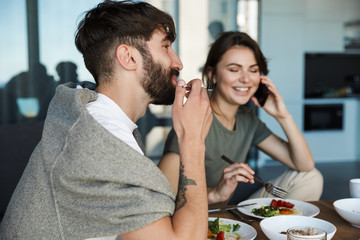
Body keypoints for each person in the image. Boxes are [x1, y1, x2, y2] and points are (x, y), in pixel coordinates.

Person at [0, 1, 212, 239]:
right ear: (128, 57)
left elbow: (146, 209)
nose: (178, 62)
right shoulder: (99, 141)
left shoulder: (93, 120)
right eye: (166, 46)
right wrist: (193, 139)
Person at [159, 31, 323, 205]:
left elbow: (305, 165)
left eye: (253, 70)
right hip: (194, 218)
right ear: (212, 74)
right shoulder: (195, 118)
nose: (246, 79)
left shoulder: (247, 119)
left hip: (229, 213)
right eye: (234, 69)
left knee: (311, 178)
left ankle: (269, 229)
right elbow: (163, 195)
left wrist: (283, 116)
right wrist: (214, 193)